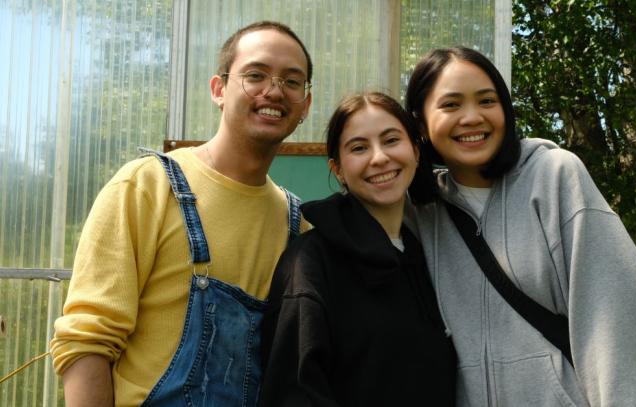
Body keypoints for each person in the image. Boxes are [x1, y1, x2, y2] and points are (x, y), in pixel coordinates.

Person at [49, 21, 312, 406]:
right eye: (255, 75)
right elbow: (86, 342)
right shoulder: (147, 186)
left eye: (292, 81)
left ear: (305, 105)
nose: (274, 91)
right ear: (218, 89)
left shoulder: (298, 226)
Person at [404, 46, 636, 406]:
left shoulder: (555, 177)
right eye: (451, 105)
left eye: (487, 101)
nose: (472, 117)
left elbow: (619, 323)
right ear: (421, 125)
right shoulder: (420, 214)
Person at [259, 91, 456, 406]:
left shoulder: (427, 252)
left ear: (416, 152)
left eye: (391, 140)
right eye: (359, 147)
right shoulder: (310, 263)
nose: (379, 158)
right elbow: (293, 391)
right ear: (337, 169)